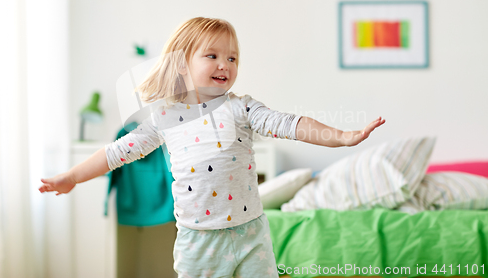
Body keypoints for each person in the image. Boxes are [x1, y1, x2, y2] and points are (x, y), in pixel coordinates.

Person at [39, 17, 385, 278]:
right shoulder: (164, 118)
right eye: (213, 55)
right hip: (198, 241)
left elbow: (290, 123)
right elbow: (116, 153)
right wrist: (72, 176)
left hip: (251, 234)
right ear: (182, 64)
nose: (226, 64)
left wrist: (341, 137)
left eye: (233, 58)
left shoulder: (243, 108)